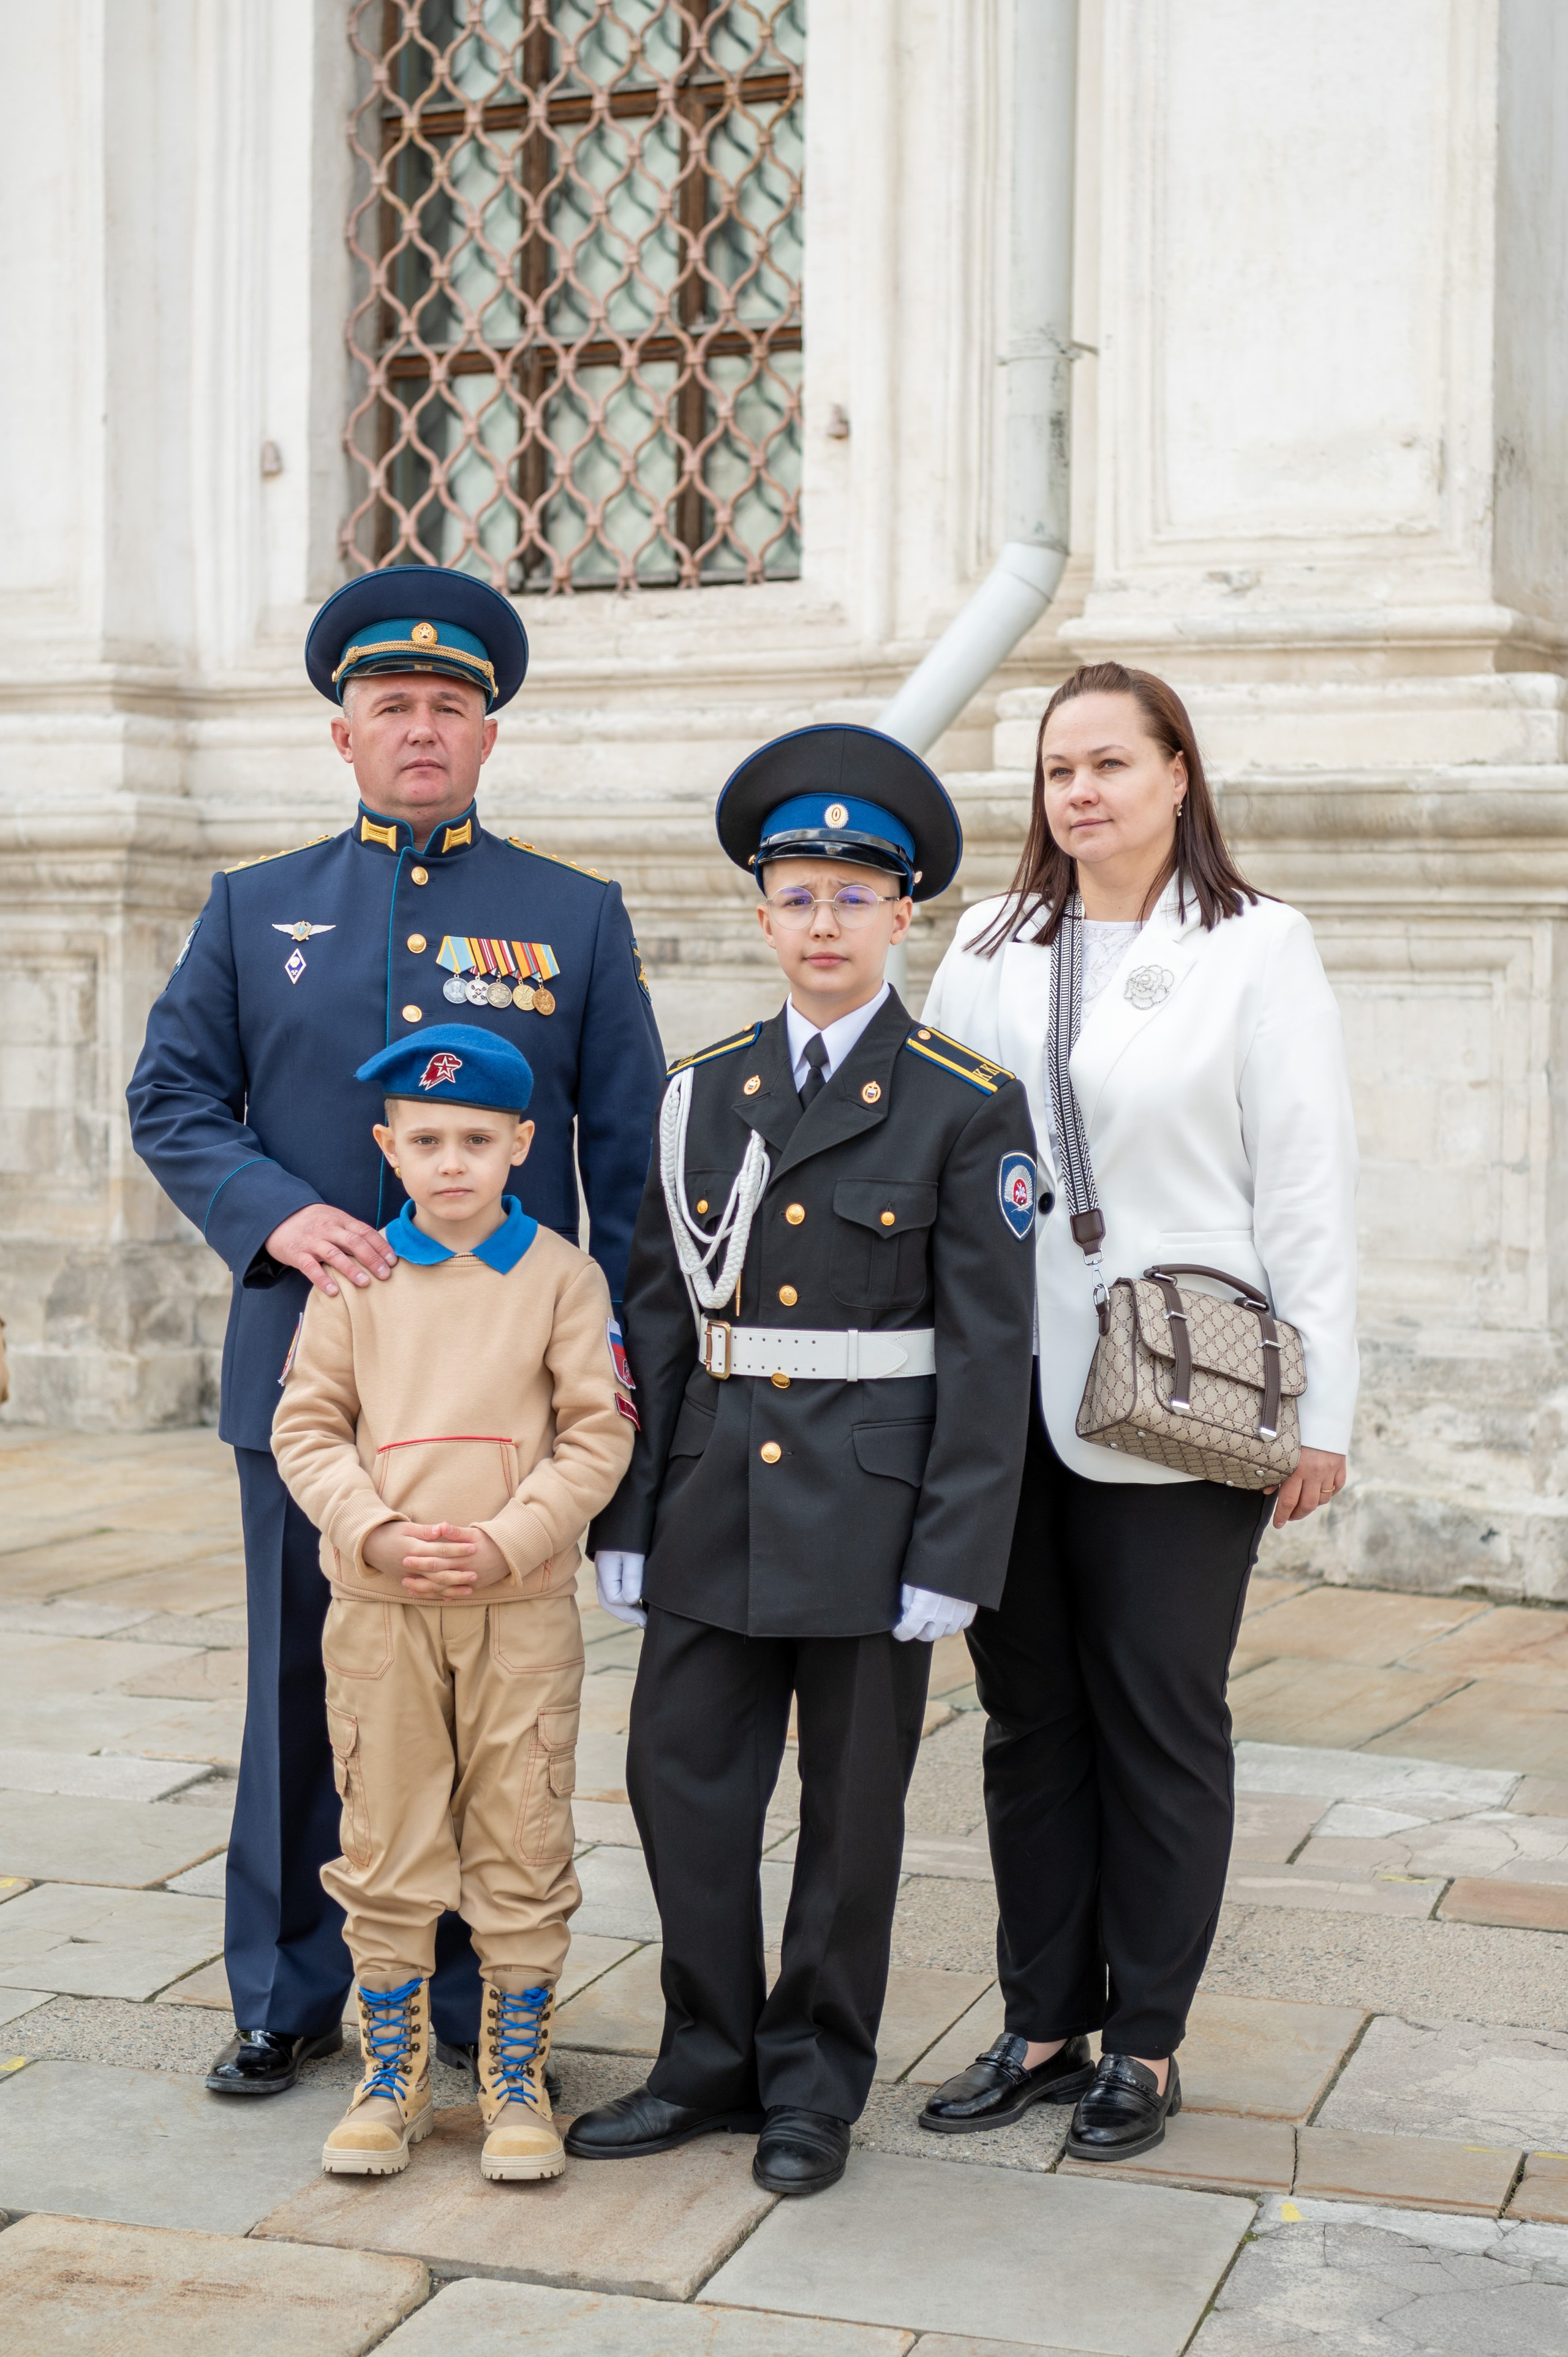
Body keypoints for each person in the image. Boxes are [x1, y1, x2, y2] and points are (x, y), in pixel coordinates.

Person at [127, 567, 665, 2099]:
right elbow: (171, 1096)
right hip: (316, 1375)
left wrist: (614, 1377)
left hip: (503, 1402)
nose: (418, 731)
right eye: (390, 709)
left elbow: (622, 1157)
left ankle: (464, 1991)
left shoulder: (571, 916)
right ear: (344, 737)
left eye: (446, 708)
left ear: (486, 736)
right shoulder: (255, 908)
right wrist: (273, 1213)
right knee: (308, 1687)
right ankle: (290, 1988)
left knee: (484, 1699)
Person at [566, 725, 1039, 2197]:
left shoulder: (964, 1099)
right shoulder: (701, 1092)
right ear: (759, 913)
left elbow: (987, 1346)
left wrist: (956, 1554)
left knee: (849, 1816)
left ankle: (813, 2079)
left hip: (870, 1512)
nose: (822, 922)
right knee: (677, 1780)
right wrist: (626, 1513)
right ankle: (704, 2056)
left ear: (903, 915)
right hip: (711, 1491)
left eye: (852, 894)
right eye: (796, 893)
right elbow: (656, 1309)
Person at [916, 662, 1357, 2160]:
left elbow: (1303, 1184)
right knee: (1025, 1718)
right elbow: (932, 1158)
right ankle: (1042, 2020)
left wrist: (1323, 1408)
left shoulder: (1254, 947)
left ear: (1178, 774)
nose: (1082, 792)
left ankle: (1147, 2042)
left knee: (1161, 1715)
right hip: (998, 1394)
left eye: (1111, 762)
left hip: (1182, 1391)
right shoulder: (986, 941)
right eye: (1058, 772)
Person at [271, 1024, 633, 2180]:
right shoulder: (357, 1279)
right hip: (378, 1610)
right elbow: (307, 1425)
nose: (452, 1162)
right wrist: (373, 1529)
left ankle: (513, 2077)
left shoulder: (564, 1279)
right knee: (384, 1829)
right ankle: (394, 2078)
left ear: (524, 1142)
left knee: (521, 1825)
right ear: (389, 1146)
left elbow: (599, 1430)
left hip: (517, 1607)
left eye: (478, 1139)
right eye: (426, 1140)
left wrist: (510, 1540)